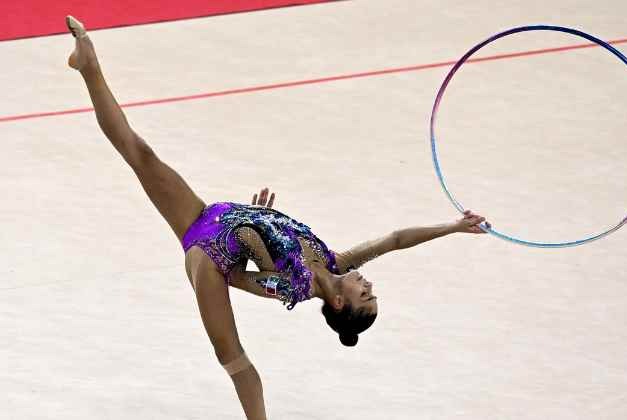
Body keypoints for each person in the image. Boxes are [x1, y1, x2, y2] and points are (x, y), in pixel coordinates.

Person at [64, 15, 489, 419]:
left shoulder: (297, 285)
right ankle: (89, 65)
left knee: (232, 358)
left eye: (366, 295)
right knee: (140, 154)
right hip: (215, 217)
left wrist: (257, 235)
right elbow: (395, 239)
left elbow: (238, 279)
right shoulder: (333, 260)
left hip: (211, 256)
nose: (369, 284)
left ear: (339, 303)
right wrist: (452, 227)